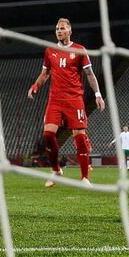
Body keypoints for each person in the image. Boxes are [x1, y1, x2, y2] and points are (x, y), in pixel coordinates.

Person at [28, 18, 105, 187]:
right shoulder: (50, 51)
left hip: (74, 99)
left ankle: (85, 178)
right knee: (48, 135)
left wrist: (98, 94)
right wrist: (35, 85)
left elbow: (90, 74)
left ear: (70, 31)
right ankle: (56, 170)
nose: (59, 31)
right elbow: (45, 73)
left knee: (80, 138)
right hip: (55, 99)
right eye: (57, 29)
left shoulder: (79, 50)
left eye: (62, 28)